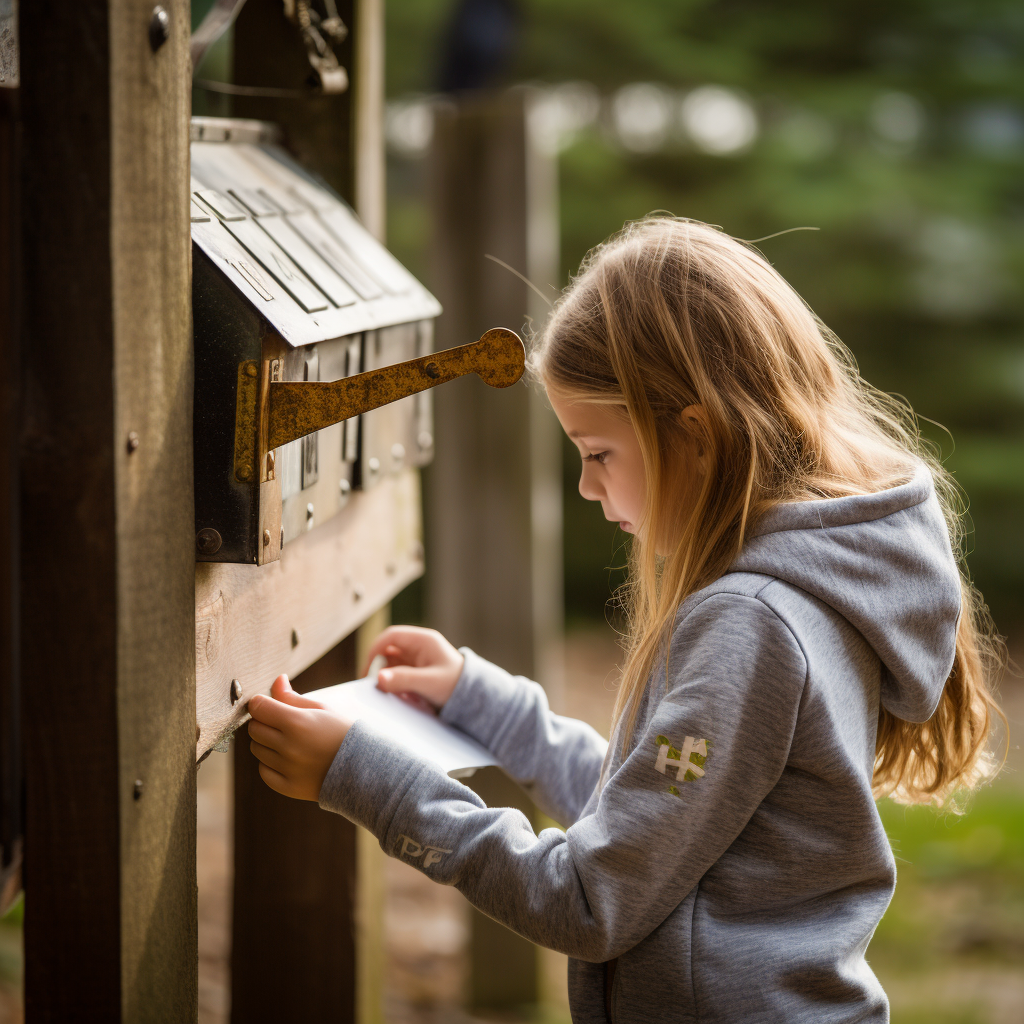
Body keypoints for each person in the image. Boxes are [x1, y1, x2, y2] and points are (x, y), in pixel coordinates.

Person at [246, 217, 1005, 1023]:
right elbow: (655, 816)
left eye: (597, 451)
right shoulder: (813, 591)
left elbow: (586, 899)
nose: (585, 485)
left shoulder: (753, 624)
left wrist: (368, 781)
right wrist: (485, 705)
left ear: (697, 435)